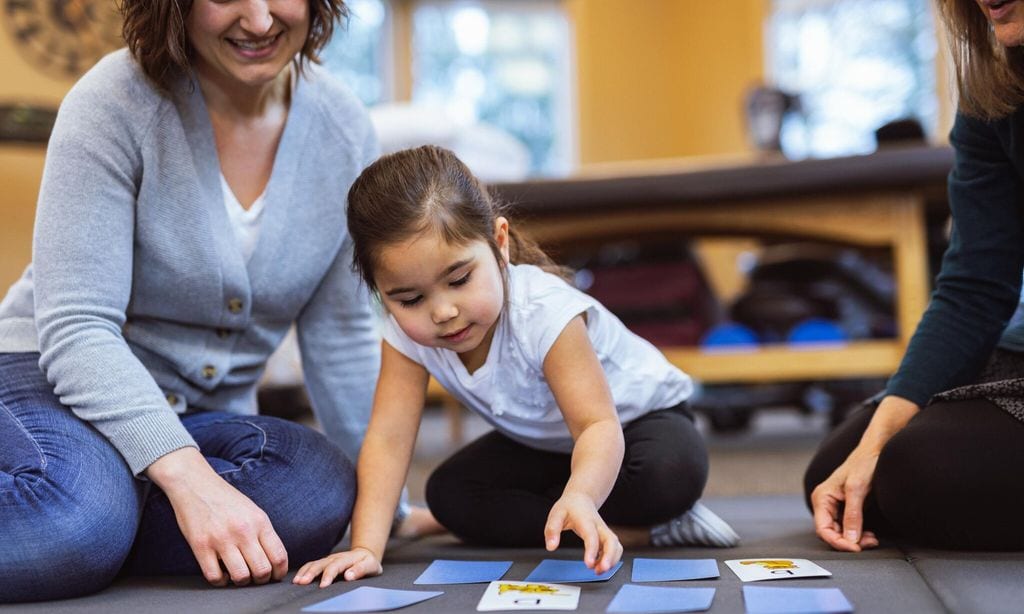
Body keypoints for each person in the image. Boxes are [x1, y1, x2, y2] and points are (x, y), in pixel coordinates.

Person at [0, 0, 404, 602]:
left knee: (317, 489)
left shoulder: (343, 127)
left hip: (198, 415)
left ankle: (99, 520)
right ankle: (89, 519)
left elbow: (341, 336)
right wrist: (189, 480)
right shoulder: (113, 100)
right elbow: (78, 328)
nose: (261, 21)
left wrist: (386, 508)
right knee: (78, 520)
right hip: (48, 379)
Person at [291, 145, 738, 588]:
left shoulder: (544, 313)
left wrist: (580, 496)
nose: (443, 311)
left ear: (499, 244)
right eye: (409, 299)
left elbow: (597, 426)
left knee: (670, 471)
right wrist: (367, 547)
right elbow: (388, 439)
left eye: (460, 279)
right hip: (548, 446)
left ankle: (617, 515)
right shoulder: (405, 336)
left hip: (636, 426)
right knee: (451, 495)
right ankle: (635, 534)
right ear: (380, 293)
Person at [805, 0, 1024, 551]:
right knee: (840, 471)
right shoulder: (992, 86)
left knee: (918, 472)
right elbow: (975, 285)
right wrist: (875, 442)